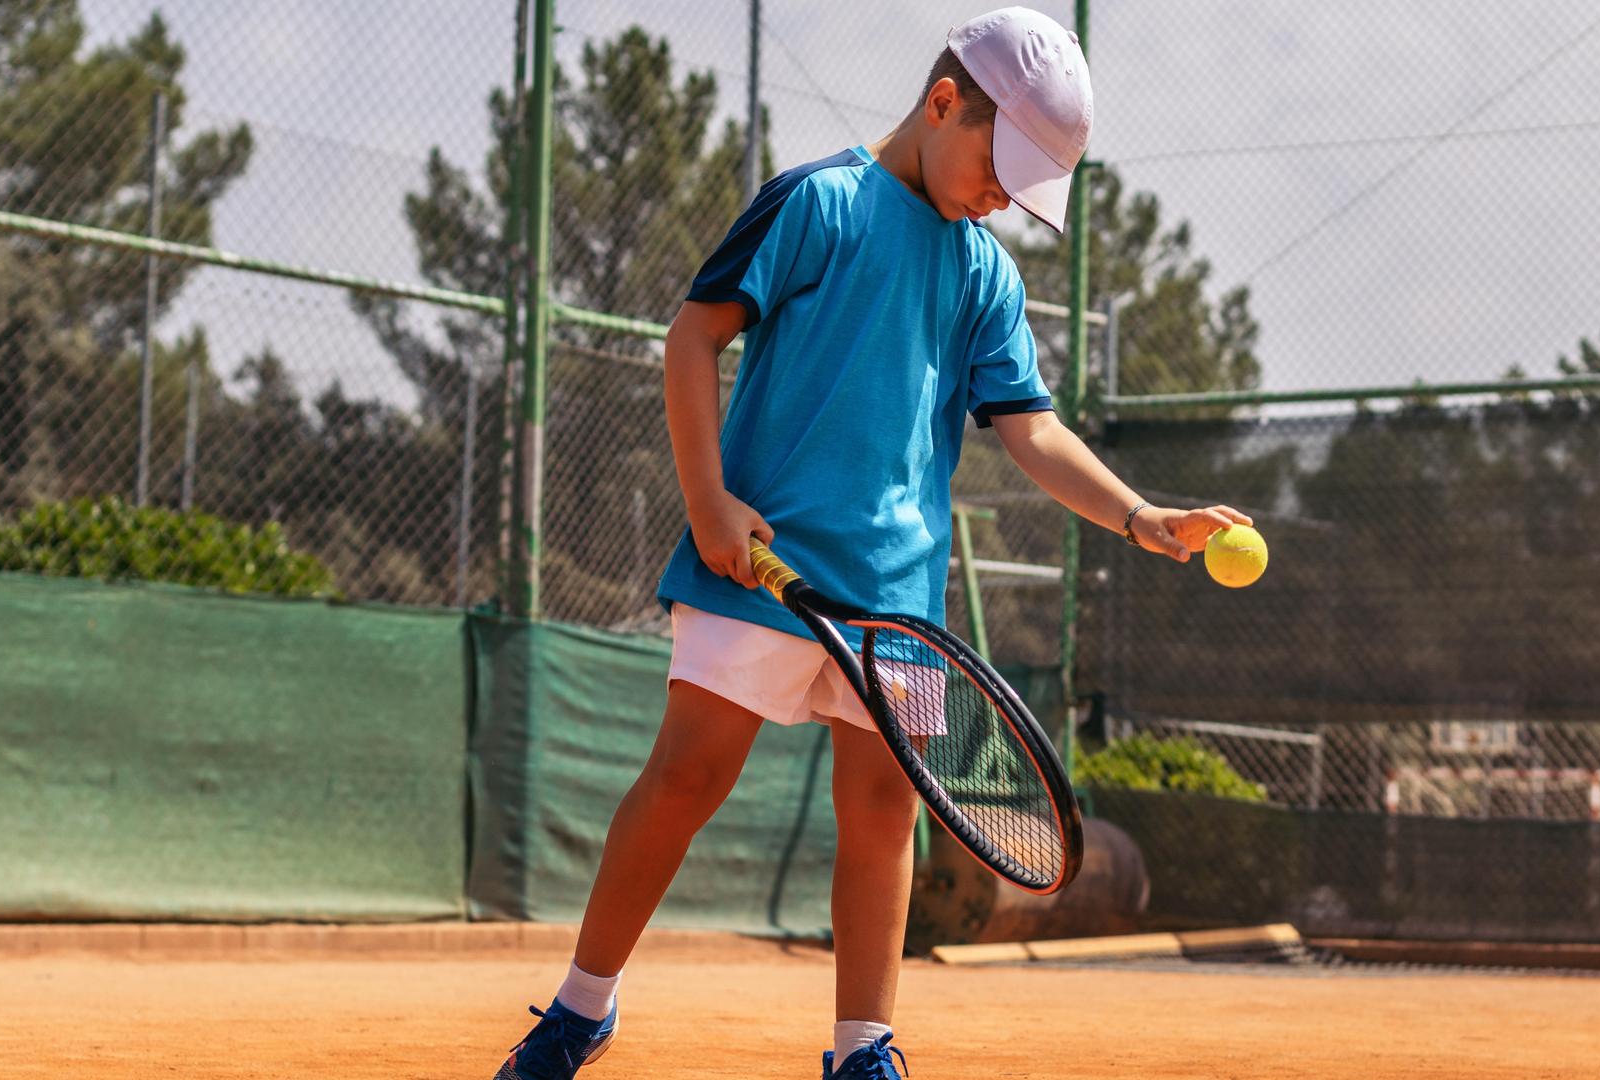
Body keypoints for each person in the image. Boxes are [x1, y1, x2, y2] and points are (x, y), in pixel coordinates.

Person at [495, 8, 1250, 1079]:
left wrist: (1141, 515)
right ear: (945, 103)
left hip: (898, 603)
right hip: (756, 564)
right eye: (1001, 165)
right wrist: (709, 502)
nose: (1003, 198)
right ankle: (582, 1007)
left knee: (885, 813)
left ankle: (863, 1050)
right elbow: (694, 334)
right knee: (685, 780)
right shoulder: (819, 204)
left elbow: (1030, 429)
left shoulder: (988, 275)